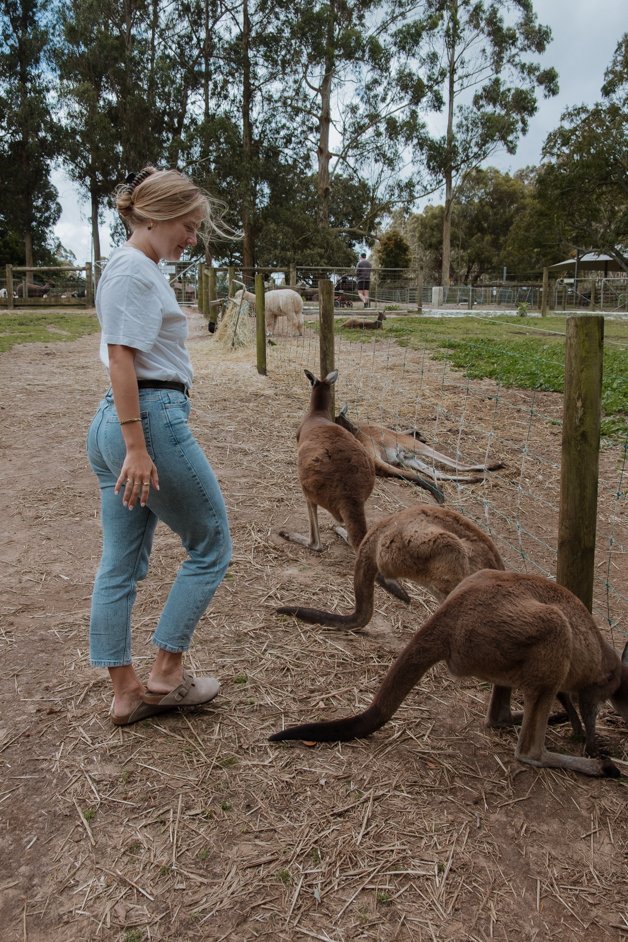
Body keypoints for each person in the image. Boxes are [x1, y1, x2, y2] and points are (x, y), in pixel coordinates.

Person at [87, 166, 232, 726]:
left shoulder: (138, 268)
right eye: (189, 226)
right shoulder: (132, 270)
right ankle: (166, 675)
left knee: (120, 565)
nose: (192, 238)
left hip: (123, 421)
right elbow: (122, 357)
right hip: (146, 420)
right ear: (158, 215)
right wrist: (137, 446)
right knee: (212, 545)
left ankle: (126, 693)